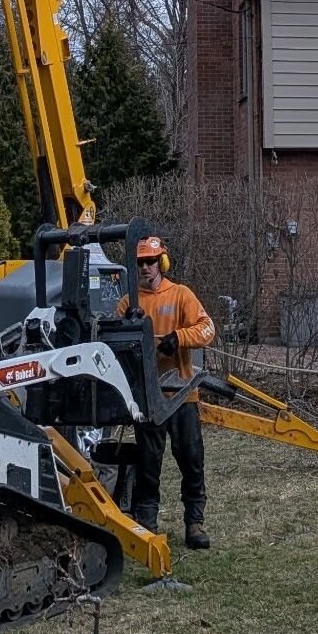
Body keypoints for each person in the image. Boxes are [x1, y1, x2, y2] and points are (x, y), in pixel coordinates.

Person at [124, 233, 216, 549]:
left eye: (151, 261)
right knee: (148, 462)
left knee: (191, 459)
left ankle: (194, 523)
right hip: (147, 398)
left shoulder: (181, 295)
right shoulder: (128, 303)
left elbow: (207, 329)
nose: (146, 267)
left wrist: (179, 337)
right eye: (141, 262)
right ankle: (147, 525)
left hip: (181, 396)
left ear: (162, 261)